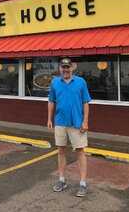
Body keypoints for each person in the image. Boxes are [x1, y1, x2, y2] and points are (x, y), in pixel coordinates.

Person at [47, 57, 91, 197]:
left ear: (72, 68)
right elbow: (51, 101)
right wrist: (49, 119)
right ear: (60, 68)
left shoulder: (80, 82)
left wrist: (85, 121)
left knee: (80, 151)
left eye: (68, 67)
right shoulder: (55, 82)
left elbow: (86, 102)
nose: (65, 70)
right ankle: (61, 180)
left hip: (77, 123)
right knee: (61, 151)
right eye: (63, 67)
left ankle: (83, 183)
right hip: (60, 122)